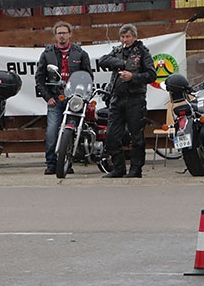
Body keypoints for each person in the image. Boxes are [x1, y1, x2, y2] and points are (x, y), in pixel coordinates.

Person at [34, 21, 93, 175]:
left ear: (70, 34)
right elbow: (39, 78)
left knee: (73, 131)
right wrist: (48, 97)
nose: (62, 36)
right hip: (55, 98)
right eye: (59, 33)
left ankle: (68, 162)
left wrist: (82, 96)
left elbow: (88, 77)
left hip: (74, 99)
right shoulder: (47, 54)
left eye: (64, 33)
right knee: (52, 131)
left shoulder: (80, 53)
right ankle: (51, 164)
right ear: (55, 35)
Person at [99, 24, 156, 178]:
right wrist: (120, 64)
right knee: (111, 135)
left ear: (134, 37)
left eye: (128, 36)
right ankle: (118, 168)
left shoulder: (143, 52)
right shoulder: (117, 51)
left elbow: (151, 75)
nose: (125, 40)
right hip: (117, 98)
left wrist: (133, 77)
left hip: (135, 98)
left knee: (136, 136)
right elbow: (102, 60)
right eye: (123, 37)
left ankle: (136, 169)